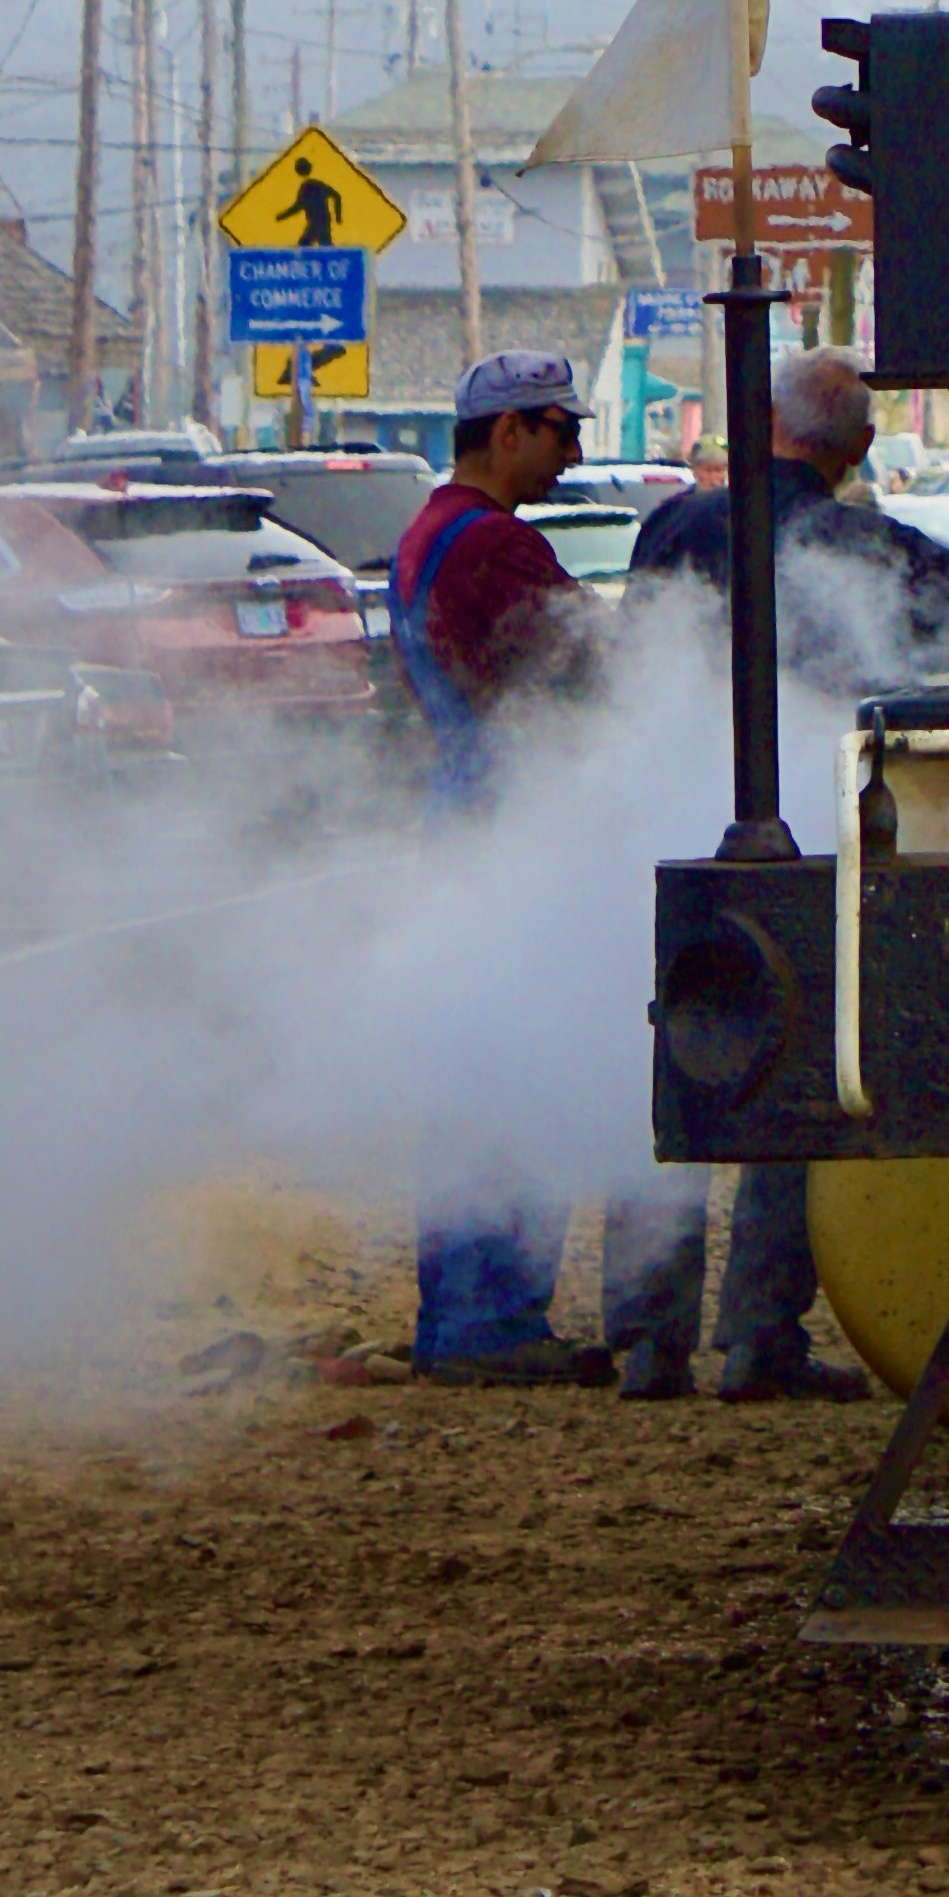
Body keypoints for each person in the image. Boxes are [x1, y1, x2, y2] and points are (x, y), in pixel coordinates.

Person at [603, 347, 949, 1401]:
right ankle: (759, 1338)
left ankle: (647, 1337)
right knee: (794, 1056)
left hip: (664, 815)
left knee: (673, 1054)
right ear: (861, 448)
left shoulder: (674, 526)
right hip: (803, 818)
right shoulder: (868, 546)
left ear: (758, 427)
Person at [383, 348, 612, 1389]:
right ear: (509, 430)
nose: (573, 453)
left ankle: (456, 1316)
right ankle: (492, 1320)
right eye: (562, 431)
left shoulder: (427, 532)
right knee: (523, 1064)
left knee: (469, 1063)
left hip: (462, 808)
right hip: (518, 819)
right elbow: (591, 674)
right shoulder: (498, 548)